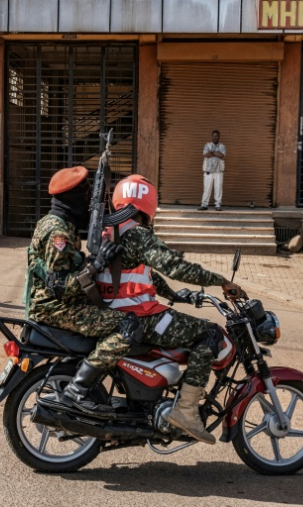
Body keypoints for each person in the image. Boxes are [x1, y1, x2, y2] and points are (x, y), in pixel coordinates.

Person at [89, 174, 246, 443]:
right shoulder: (137, 234)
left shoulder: (112, 230)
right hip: (137, 316)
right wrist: (221, 281)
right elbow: (174, 266)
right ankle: (185, 411)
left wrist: (175, 295)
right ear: (149, 203)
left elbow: (141, 272)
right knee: (211, 335)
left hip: (117, 313)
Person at [27, 166, 143, 417]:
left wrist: (92, 262)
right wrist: (97, 263)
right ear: (73, 199)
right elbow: (60, 288)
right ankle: (78, 390)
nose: (89, 205)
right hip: (55, 309)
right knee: (128, 325)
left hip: (54, 305)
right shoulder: (59, 233)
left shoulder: (56, 223)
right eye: (85, 196)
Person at [199, 130, 226, 211]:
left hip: (219, 171)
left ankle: (218, 205)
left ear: (219, 137)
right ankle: (204, 204)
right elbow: (205, 154)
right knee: (207, 188)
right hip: (208, 170)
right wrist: (216, 153)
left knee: (218, 187)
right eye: (213, 136)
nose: (215, 137)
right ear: (211, 136)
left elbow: (222, 155)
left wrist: (212, 152)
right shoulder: (207, 145)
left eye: (216, 136)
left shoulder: (222, 146)